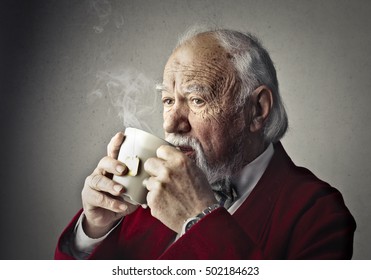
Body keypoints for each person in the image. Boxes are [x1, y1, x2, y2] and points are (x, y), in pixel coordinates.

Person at [55, 28, 356, 259]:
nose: (171, 124)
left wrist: (197, 219)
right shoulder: (148, 188)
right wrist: (93, 231)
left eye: (197, 99)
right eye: (168, 101)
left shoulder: (320, 213)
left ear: (257, 110)